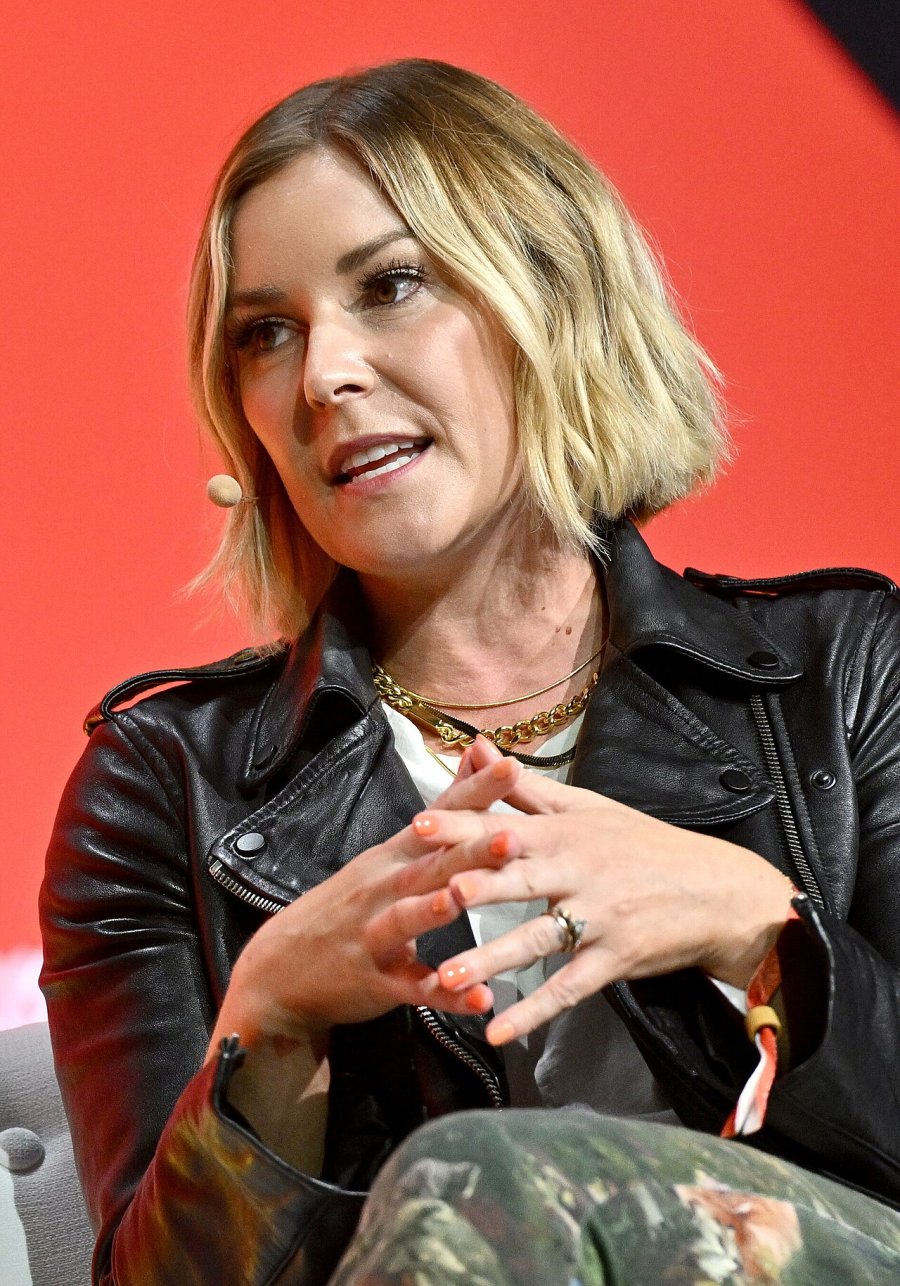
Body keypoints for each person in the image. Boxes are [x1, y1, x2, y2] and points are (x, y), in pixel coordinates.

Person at [40, 58, 900, 1285]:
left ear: (549, 294)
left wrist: (758, 925)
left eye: (390, 285)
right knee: (470, 1180)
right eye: (267, 333)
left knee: (481, 1171)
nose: (323, 374)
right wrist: (266, 1026)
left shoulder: (846, 672)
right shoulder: (161, 787)